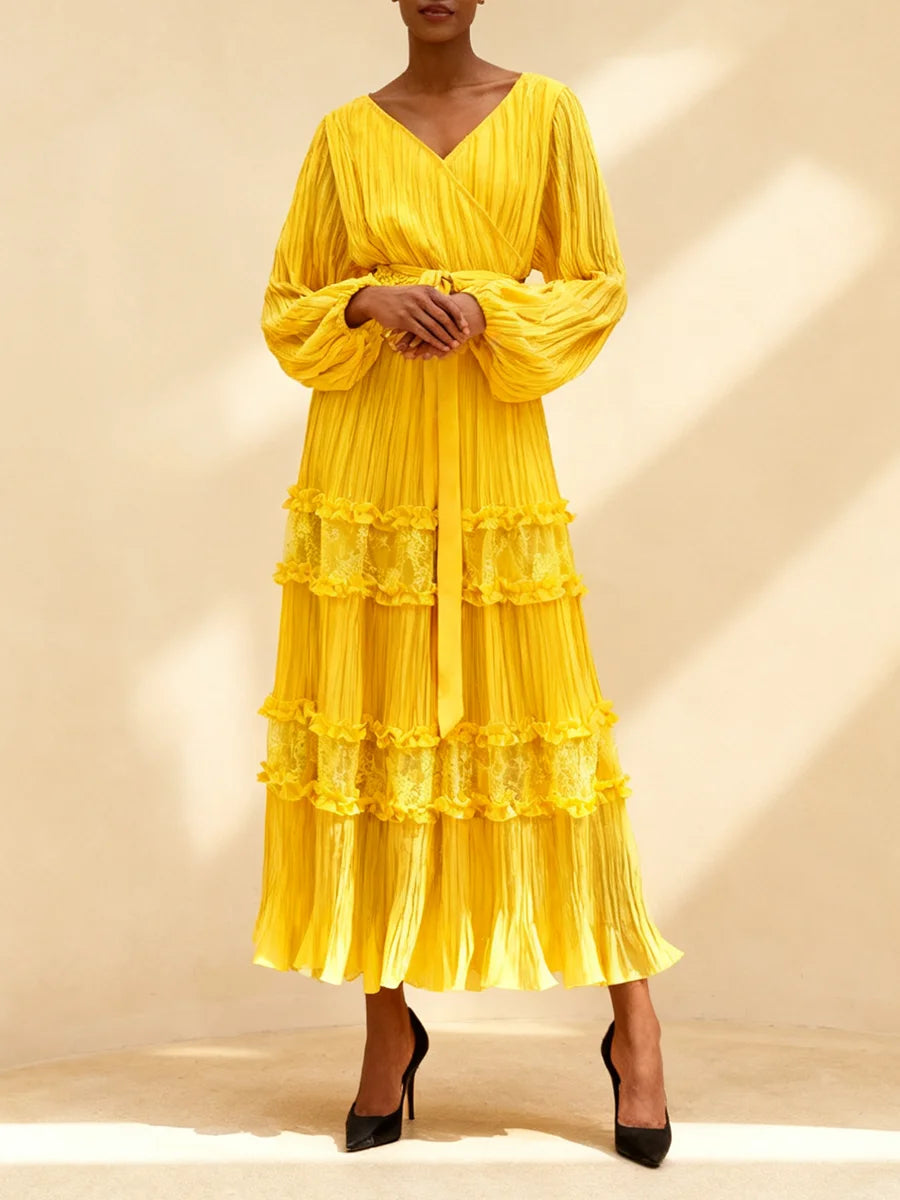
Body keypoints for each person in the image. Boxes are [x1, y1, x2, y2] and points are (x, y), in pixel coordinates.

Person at [252, 0, 684, 1168]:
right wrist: (364, 298)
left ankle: (634, 1030)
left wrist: (489, 306)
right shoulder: (344, 135)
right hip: (369, 451)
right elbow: (288, 303)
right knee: (377, 724)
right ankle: (387, 1031)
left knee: (550, 730)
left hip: (493, 444)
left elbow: (595, 282)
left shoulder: (546, 115)